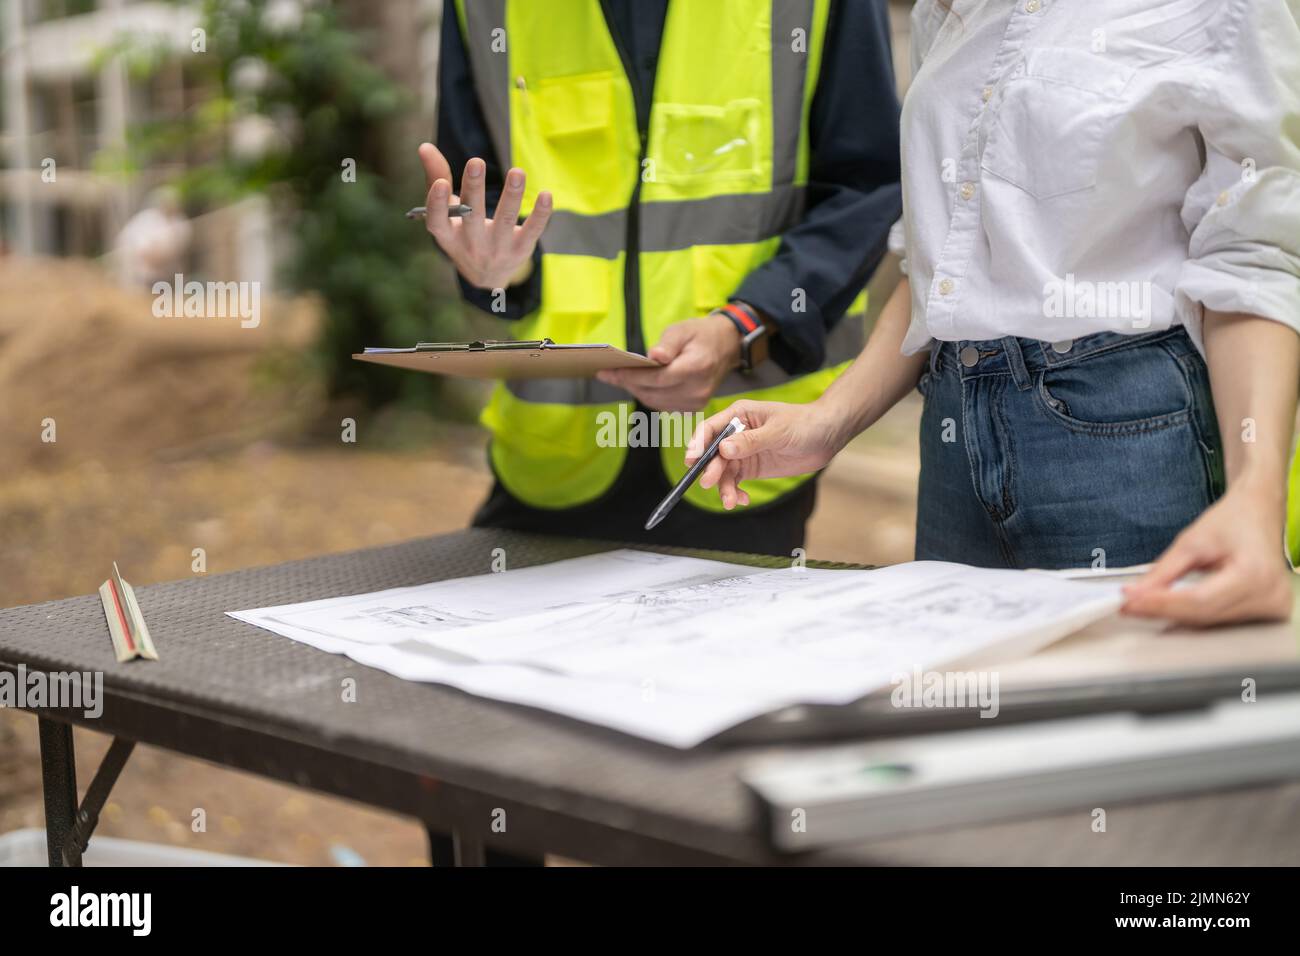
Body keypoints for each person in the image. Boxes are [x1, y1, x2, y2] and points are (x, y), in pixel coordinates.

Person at [688, 0, 1300, 625]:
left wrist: (1256, 497)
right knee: (957, 706)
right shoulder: (948, 8)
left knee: (1113, 705)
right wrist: (828, 423)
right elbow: (937, 265)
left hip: (1126, 436)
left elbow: (1253, 257)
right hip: (953, 433)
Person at [421, 0, 902, 556]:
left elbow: (867, 184)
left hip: (738, 448)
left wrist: (744, 325)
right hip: (552, 445)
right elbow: (477, 210)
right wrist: (499, 273)